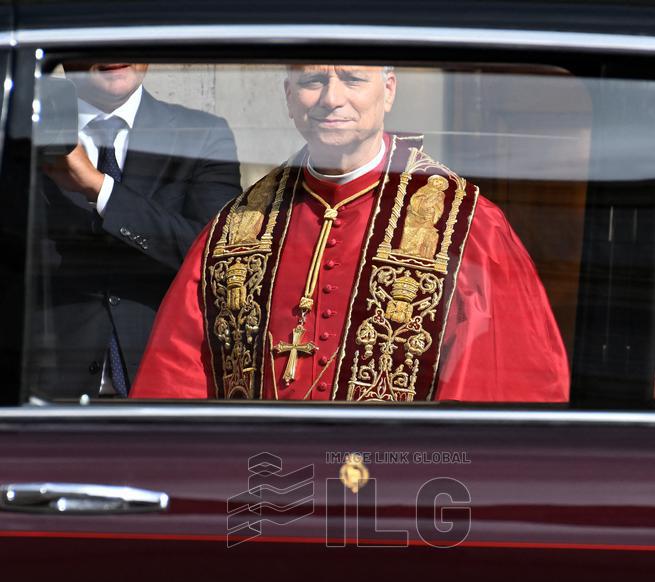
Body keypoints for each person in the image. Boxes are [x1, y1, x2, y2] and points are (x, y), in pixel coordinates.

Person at [130, 65, 569, 403]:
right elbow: (176, 378)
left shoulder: (464, 225)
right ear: (288, 96)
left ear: (389, 89)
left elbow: (497, 388)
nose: (331, 99)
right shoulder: (237, 228)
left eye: (353, 79)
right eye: (313, 81)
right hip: (262, 487)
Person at [30, 62, 241, 398]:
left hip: (163, 385)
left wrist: (101, 191)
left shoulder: (201, 133)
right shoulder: (21, 133)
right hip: (42, 390)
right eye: (99, 38)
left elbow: (215, 255)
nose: (116, 55)